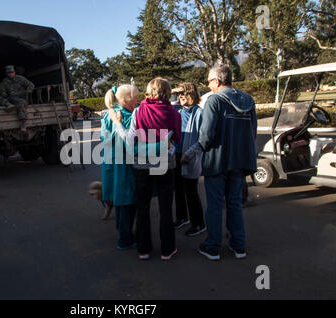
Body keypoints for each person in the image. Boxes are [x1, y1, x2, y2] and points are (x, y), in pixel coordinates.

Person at [183, 65, 257, 261]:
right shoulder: (249, 100)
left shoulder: (214, 100)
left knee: (214, 205)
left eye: (208, 81)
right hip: (240, 161)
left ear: (217, 81)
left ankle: (213, 246)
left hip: (217, 161)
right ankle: (238, 246)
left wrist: (192, 152)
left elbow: (206, 136)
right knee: (234, 204)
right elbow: (252, 132)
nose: (208, 85)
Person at [110, 77, 181, 261]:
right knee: (166, 208)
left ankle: (143, 249)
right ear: (167, 92)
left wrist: (118, 123)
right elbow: (177, 142)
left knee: (143, 207)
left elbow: (129, 139)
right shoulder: (173, 113)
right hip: (165, 164)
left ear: (149, 91)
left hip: (141, 165)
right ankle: (167, 249)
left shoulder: (139, 110)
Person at [101, 85, 139, 250]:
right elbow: (131, 143)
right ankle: (125, 239)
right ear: (125, 100)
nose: (137, 100)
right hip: (125, 165)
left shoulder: (109, 114)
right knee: (127, 202)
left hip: (112, 164)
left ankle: (122, 234)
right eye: (135, 97)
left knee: (120, 200)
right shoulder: (126, 116)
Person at [174, 83, 206, 237]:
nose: (180, 96)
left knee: (191, 192)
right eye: (178, 94)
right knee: (178, 190)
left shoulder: (200, 113)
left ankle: (199, 224)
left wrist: (189, 154)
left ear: (191, 94)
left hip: (190, 157)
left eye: (182, 93)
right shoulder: (179, 112)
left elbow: (203, 139)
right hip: (177, 156)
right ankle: (182, 218)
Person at [0, 65, 35, 132]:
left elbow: (31, 85)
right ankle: (9, 105)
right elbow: (2, 92)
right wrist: (5, 95)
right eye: (9, 73)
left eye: (12, 72)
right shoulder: (4, 82)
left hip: (20, 98)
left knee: (21, 104)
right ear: (7, 73)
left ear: (14, 72)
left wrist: (27, 92)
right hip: (10, 99)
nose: (11, 74)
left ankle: (23, 124)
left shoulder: (20, 78)